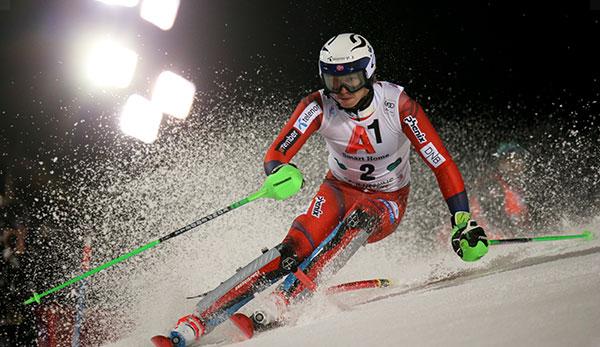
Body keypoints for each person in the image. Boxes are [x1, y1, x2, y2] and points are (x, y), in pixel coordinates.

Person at [151, 33, 489, 347]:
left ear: (369, 73)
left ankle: (286, 298)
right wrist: (279, 170)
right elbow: (277, 152)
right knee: (290, 252)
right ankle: (197, 320)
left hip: (386, 201)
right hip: (338, 190)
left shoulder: (397, 106)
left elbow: (441, 162)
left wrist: (461, 219)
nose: (342, 90)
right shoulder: (317, 105)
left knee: (360, 220)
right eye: (333, 80)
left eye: (351, 80)